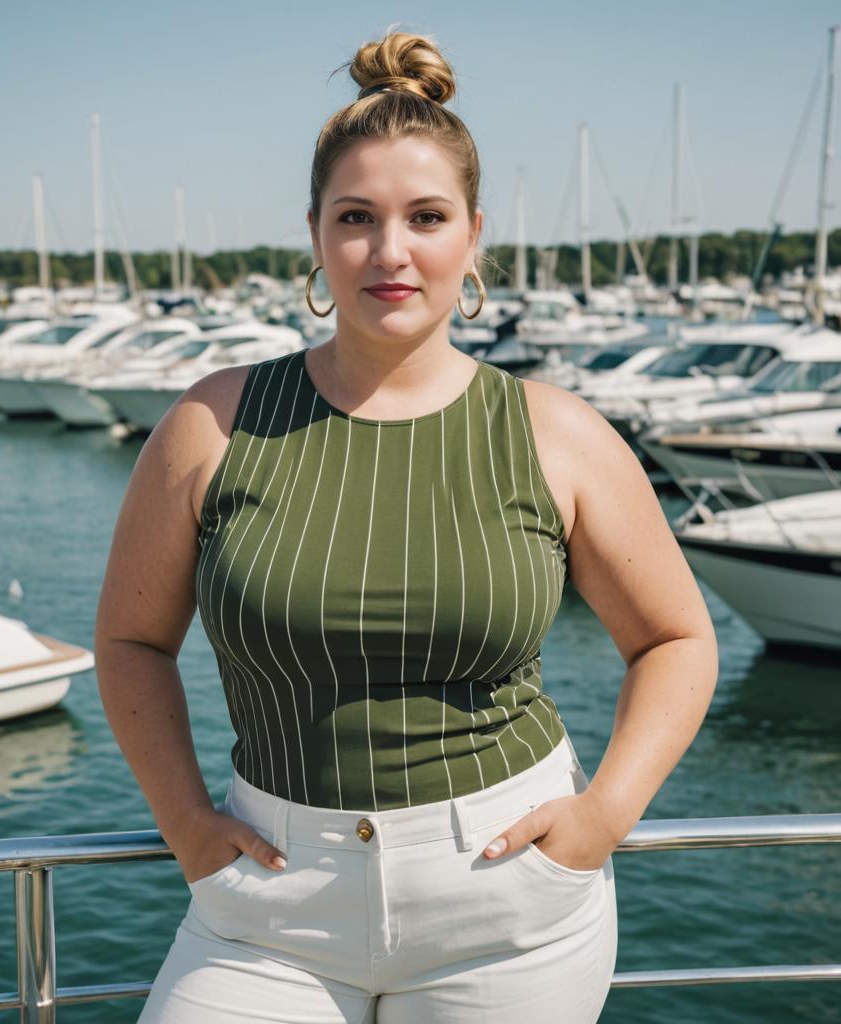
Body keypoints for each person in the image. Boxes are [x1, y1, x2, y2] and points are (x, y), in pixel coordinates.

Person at [95, 28, 718, 1024]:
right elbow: (129, 641)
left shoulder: (556, 433)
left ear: (471, 235)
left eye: (425, 217)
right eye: (356, 218)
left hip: (507, 903)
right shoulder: (211, 423)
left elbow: (677, 640)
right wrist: (183, 823)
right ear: (314, 235)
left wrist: (602, 816)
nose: (390, 251)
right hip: (266, 895)